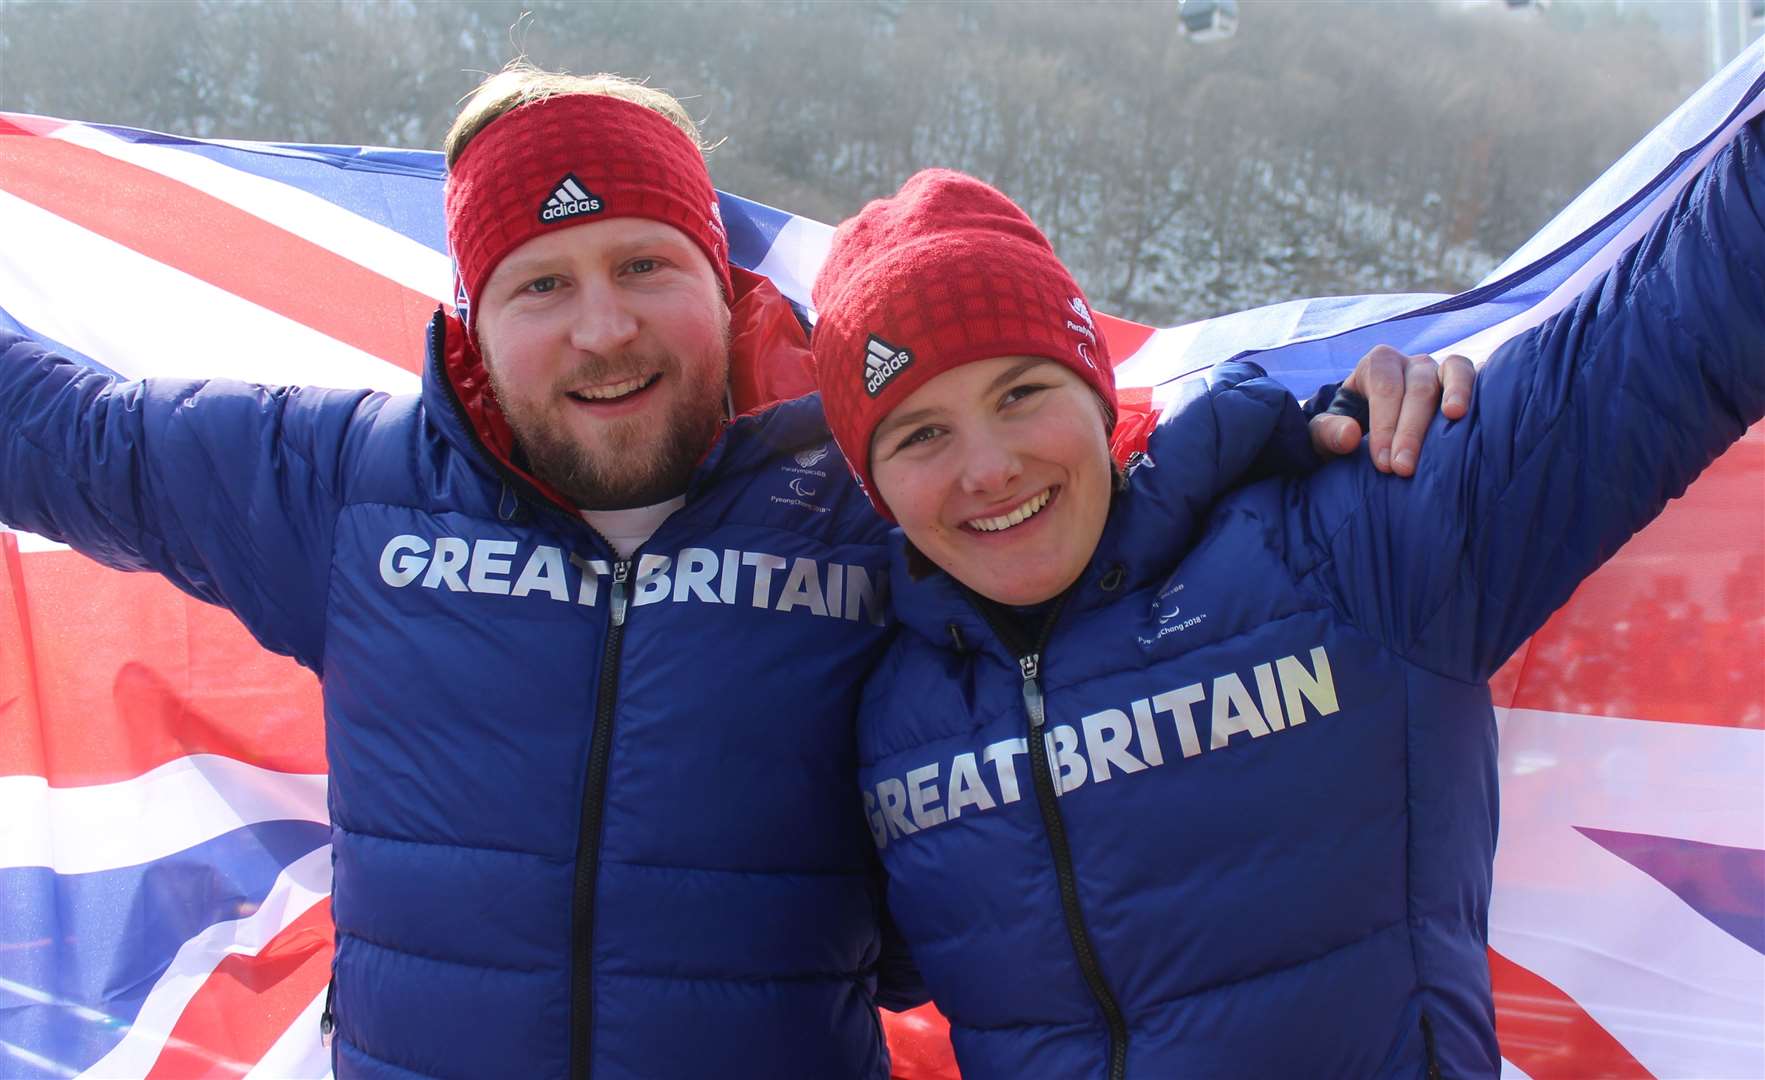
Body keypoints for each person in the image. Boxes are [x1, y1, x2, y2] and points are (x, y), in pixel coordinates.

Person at [0, 65, 1461, 1078]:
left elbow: (1101, 487)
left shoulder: (859, 487)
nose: (602, 330)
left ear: (724, 287)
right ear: (470, 324)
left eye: (646, 267)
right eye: (540, 286)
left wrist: (1330, 422)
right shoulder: (337, 489)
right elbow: (49, 428)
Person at [806, 126, 1764, 1079]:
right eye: (920, 434)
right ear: (875, 489)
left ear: (1100, 399)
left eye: (1021, 394)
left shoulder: (1349, 550)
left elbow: (1670, 334)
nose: (988, 467)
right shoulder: (880, 708)